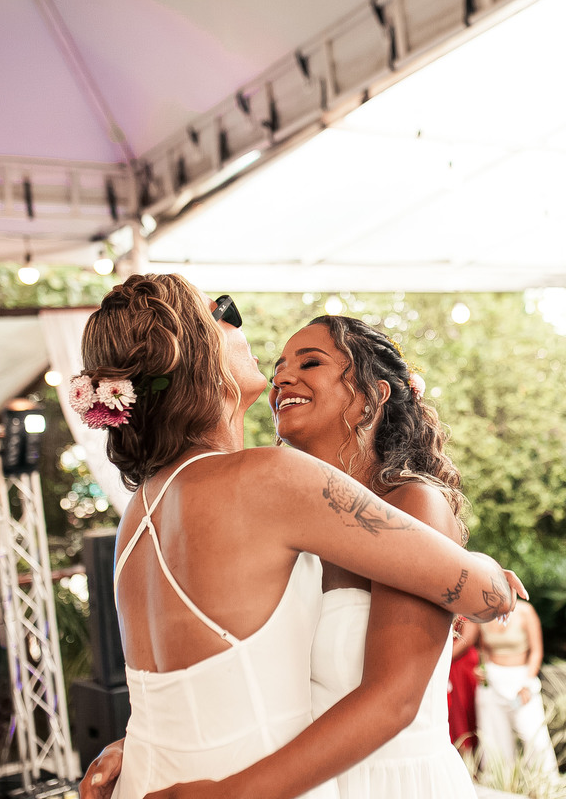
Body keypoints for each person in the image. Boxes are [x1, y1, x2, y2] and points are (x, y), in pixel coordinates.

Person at [73, 275, 522, 799]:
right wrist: (480, 571)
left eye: (310, 363)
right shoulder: (272, 484)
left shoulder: (138, 513)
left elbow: (209, 681)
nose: (281, 374)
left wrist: (143, 746)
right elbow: (484, 593)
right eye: (220, 312)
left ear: (373, 396)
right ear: (196, 353)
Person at [474, 599, 558, 776]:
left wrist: (527, 684)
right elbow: (483, 649)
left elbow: (536, 652)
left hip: (521, 680)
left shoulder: (525, 611)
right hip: (492, 682)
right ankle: (501, 784)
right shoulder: (481, 611)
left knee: (534, 738)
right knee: (495, 740)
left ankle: (546, 785)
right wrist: (482, 669)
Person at [447, 620, 480, 754]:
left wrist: (439, 659)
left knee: (462, 717)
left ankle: (469, 759)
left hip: (460, 664)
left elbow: (468, 638)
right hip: (446, 665)